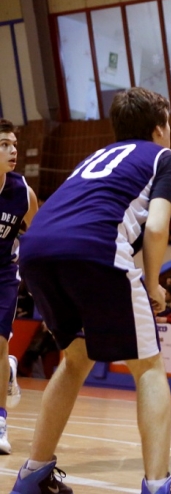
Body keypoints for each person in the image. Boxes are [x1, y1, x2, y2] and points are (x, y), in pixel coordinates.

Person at [13, 87, 171, 494]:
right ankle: (157, 486)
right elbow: (156, 227)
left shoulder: (94, 157)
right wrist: (154, 284)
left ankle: (34, 475)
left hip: (36, 251)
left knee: (75, 359)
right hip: (95, 249)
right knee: (148, 368)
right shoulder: (165, 158)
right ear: (159, 128)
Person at [0, 118, 39, 454]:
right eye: (4, 145)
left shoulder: (23, 193)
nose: (13, 151)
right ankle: (9, 370)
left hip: (3, 276)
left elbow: (38, 235)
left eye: (14, 144)